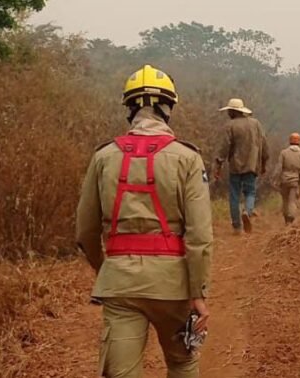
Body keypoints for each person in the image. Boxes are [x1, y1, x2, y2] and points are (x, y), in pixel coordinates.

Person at [76, 65, 213, 378]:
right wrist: (198, 294)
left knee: (121, 372)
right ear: (168, 109)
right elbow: (200, 236)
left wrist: (108, 271)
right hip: (173, 285)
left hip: (120, 284)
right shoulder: (187, 158)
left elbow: (85, 231)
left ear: (129, 109)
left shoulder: (103, 157)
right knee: (182, 363)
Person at [214, 98, 269, 234]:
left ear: (232, 111)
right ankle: (247, 211)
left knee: (234, 195)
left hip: (235, 166)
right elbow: (264, 144)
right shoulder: (255, 124)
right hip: (252, 164)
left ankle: (237, 227)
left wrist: (218, 164)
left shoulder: (230, 126)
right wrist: (264, 162)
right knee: (250, 192)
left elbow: (224, 147)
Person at [277, 132, 300, 226]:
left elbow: (279, 167)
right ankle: (290, 218)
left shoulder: (283, 153)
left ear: (289, 141)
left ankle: (286, 219)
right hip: (295, 181)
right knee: (292, 201)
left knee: (285, 200)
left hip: (284, 180)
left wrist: (276, 178)